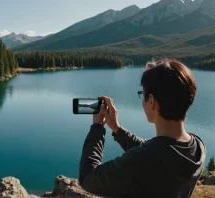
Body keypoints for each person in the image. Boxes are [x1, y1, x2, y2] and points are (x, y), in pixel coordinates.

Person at [79, 59, 206, 198]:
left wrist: (97, 127)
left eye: (142, 94)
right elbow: (156, 151)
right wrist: (116, 128)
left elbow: (88, 179)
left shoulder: (141, 160)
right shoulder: (197, 147)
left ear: (151, 101)